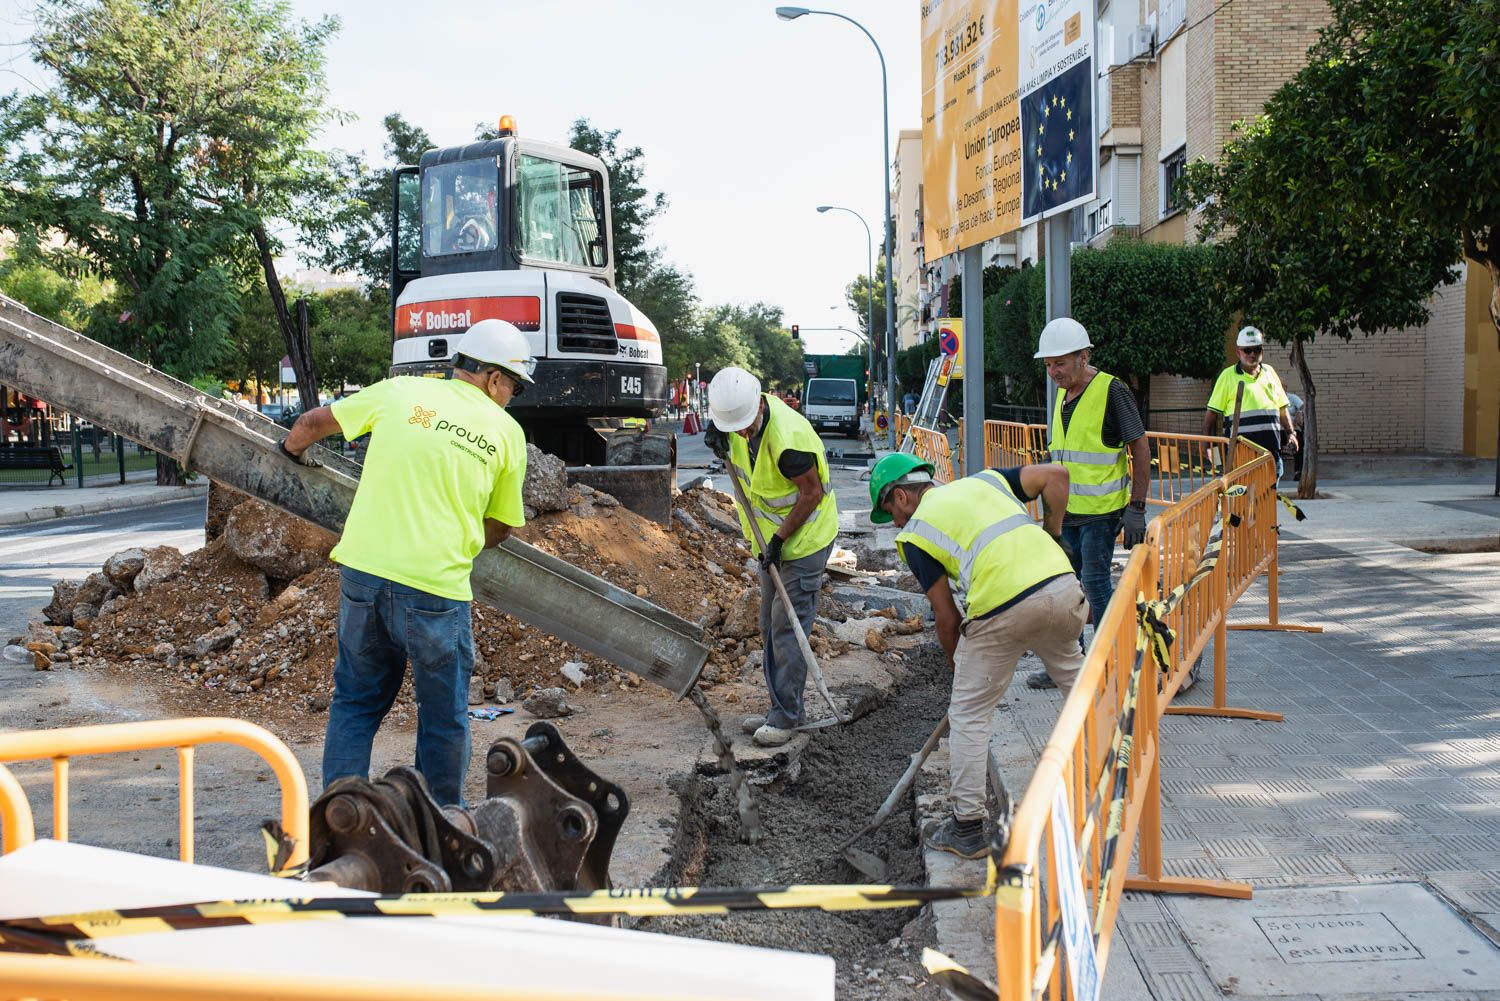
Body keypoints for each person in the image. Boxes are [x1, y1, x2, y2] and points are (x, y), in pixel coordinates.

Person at [281, 318, 534, 805]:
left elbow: (310, 425)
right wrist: (452, 539)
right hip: (436, 591)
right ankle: (439, 822)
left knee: (355, 701)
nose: (512, 397)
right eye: (514, 387)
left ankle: (341, 815)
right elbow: (502, 525)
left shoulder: (400, 393)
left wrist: (289, 452)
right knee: (443, 716)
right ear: (495, 378)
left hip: (364, 577)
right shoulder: (505, 433)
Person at [869, 453, 1085, 858]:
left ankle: (967, 828)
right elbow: (1057, 476)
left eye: (889, 513)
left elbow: (946, 617)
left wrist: (959, 669)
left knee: (969, 713)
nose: (895, 524)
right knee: (1081, 688)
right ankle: (1117, 778)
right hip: (1062, 588)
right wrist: (1053, 536)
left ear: (901, 497)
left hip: (1004, 607)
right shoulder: (986, 481)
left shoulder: (916, 533)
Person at [704, 367, 838, 748]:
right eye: (735, 428)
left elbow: (810, 495)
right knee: (768, 624)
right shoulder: (737, 428)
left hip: (804, 541)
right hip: (771, 543)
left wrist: (779, 540)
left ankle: (786, 716)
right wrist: (722, 440)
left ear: (759, 404)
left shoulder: (788, 441)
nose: (743, 433)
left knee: (787, 627)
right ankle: (780, 705)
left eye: (745, 426)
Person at [1028, 317, 1150, 689]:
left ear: (1084, 356)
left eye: (1060, 363)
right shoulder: (1064, 393)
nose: (1053, 372)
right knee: (1065, 591)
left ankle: (1113, 663)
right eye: (1048, 365)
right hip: (1066, 514)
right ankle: (1070, 666)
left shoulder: (1112, 391)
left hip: (1100, 513)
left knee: (1095, 586)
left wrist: (1138, 507)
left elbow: (1140, 448)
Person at [1202, 326, 1296, 480]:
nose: (1252, 354)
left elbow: (1282, 409)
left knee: (1267, 500)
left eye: (1257, 350)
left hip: (1270, 452)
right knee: (1244, 500)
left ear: (1262, 352)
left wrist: (1291, 434)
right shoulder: (1227, 376)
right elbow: (1211, 415)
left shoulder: (1270, 373)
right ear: (1238, 352)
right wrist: (1207, 445)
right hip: (1240, 454)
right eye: (1248, 350)